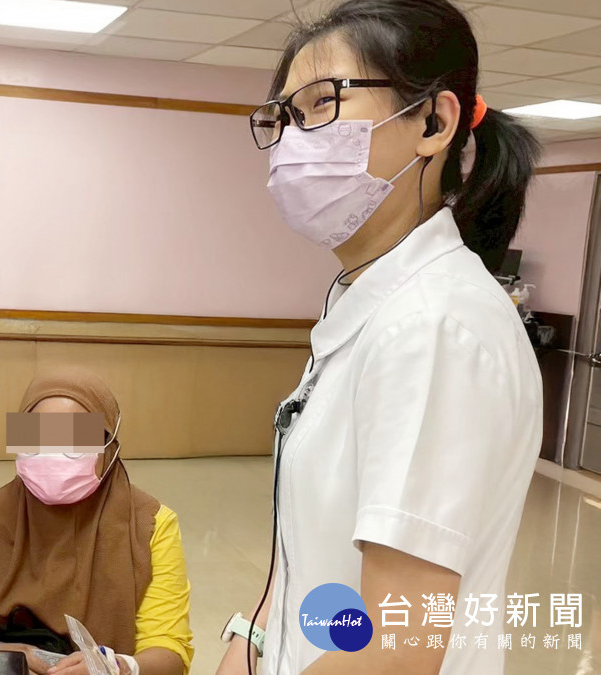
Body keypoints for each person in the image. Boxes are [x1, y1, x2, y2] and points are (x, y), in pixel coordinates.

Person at [216, 1, 543, 673]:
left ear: (433, 122)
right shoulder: (369, 305)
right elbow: (312, 555)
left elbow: (399, 647)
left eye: (322, 104)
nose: (292, 141)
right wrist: (251, 639)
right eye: (284, 117)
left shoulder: (433, 327)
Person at [0, 368, 193, 675]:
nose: (53, 454)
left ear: (108, 445)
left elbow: (170, 652)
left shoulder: (150, 526)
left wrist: (117, 667)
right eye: (36, 438)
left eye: (74, 439)